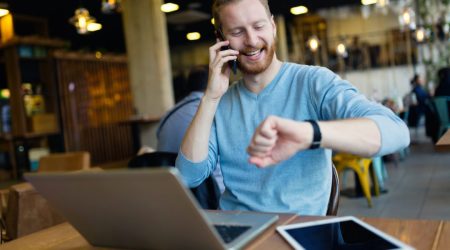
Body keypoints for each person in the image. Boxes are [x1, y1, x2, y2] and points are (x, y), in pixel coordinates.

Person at [176, 0, 409, 215]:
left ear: (273, 27)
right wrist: (210, 97)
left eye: (259, 26)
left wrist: (309, 134)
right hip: (238, 233)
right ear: (221, 40)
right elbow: (188, 177)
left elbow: (396, 131)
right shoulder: (219, 102)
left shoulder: (313, 82)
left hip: (300, 231)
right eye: (237, 32)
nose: (252, 40)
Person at [157, 66, 225, 193]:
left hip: (172, 193)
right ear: (213, 82)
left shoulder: (167, 116)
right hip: (212, 198)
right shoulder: (218, 113)